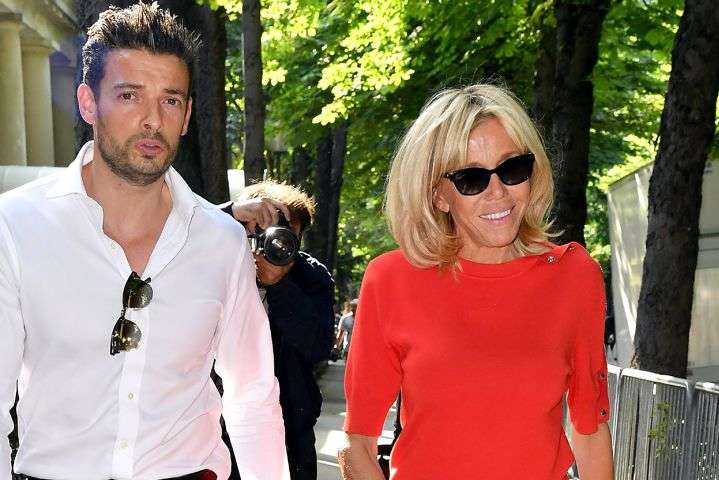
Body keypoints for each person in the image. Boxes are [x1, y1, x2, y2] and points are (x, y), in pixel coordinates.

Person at [0, 4, 288, 480]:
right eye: (130, 96)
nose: (153, 120)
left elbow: (253, 397)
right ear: (88, 103)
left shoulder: (221, 242)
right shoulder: (16, 227)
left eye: (170, 100)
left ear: (187, 114)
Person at [339, 84, 614, 479]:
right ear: (438, 195)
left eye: (512, 169)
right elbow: (357, 445)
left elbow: (590, 428)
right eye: (471, 178)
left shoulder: (573, 275)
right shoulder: (391, 280)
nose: (497, 193)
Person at [222, 181, 335, 480]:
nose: (271, 238)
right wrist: (229, 213)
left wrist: (279, 285)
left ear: (299, 237)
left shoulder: (311, 277)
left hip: (289, 428)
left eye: (285, 231)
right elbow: (182, 230)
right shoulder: (216, 264)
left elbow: (317, 346)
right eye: (260, 226)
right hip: (216, 428)